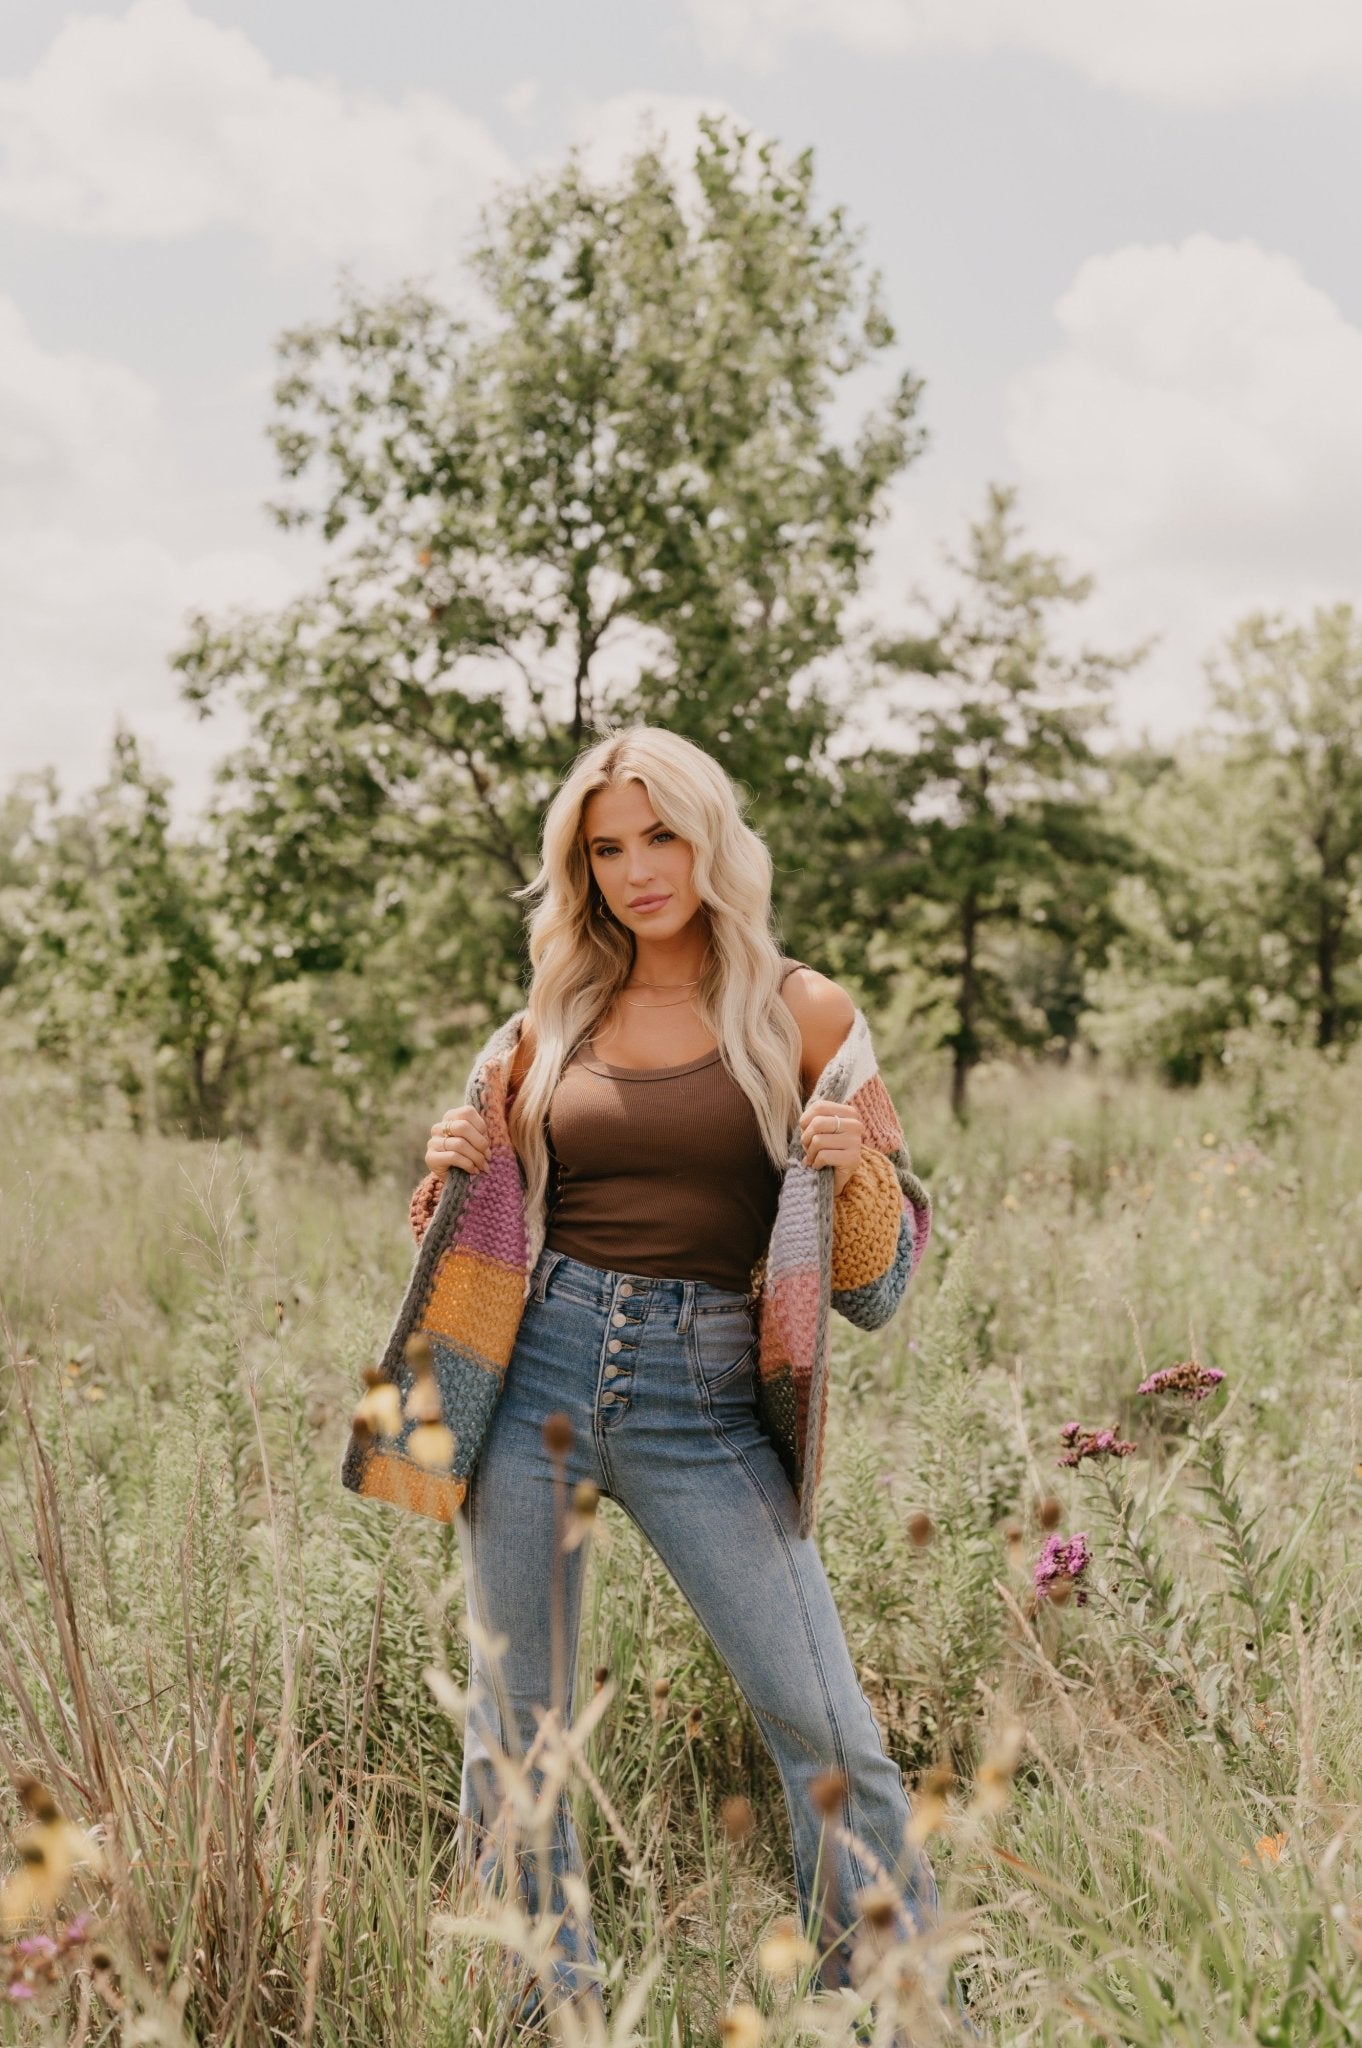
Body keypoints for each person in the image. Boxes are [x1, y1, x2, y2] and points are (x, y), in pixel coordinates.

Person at [350, 724, 945, 2031]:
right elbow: (474, 1241)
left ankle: (883, 1999)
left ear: (711, 836)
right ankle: (539, 2009)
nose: (636, 869)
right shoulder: (542, 1023)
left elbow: (881, 1279)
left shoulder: (806, 1012)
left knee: (823, 1723)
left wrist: (850, 1165)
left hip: (707, 1394)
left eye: (659, 835)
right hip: (537, 1377)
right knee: (517, 1725)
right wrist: (453, 1167)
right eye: (605, 847)